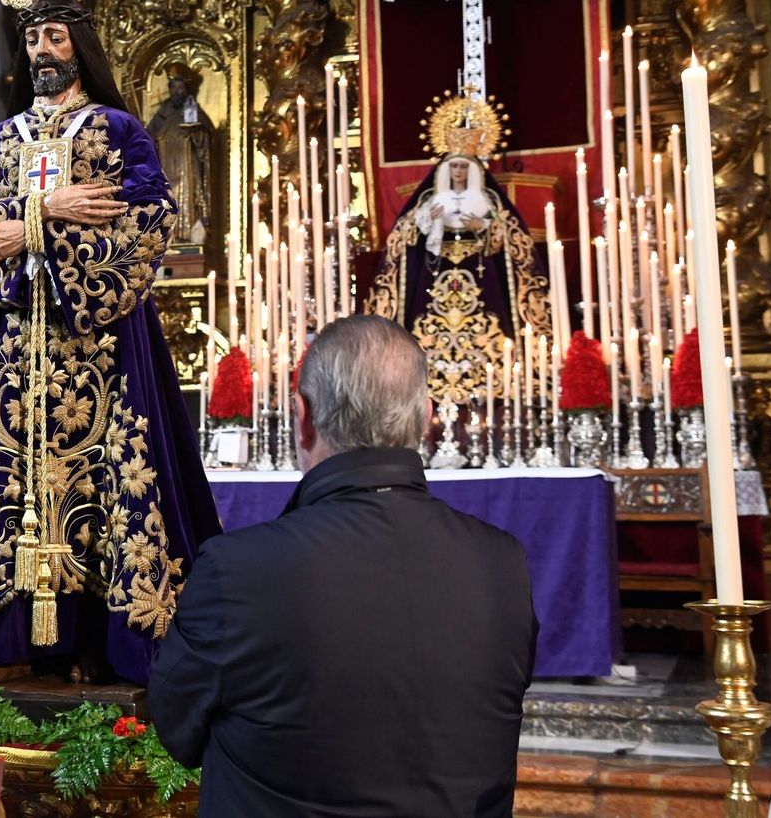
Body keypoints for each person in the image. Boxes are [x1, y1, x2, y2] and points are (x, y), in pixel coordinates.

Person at [0, 0, 221, 686]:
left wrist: (41, 237)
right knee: (0, 482)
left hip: (105, 342)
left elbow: (150, 216)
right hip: (16, 346)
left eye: (55, 39)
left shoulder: (119, 132)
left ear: (80, 45)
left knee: (116, 481)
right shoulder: (1, 141)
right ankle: (10, 641)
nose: (42, 53)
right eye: (32, 40)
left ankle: (109, 646)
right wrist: (36, 222)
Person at [149, 316, 537, 818]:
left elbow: (177, 730)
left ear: (302, 416)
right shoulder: (502, 564)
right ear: (425, 417)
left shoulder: (239, 571)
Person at [368, 147, 550, 404]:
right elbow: (406, 235)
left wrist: (483, 227)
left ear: (473, 172)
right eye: (454, 167)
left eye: (464, 167)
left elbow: (505, 238)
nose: (459, 171)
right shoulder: (431, 199)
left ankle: (495, 379)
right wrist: (426, 221)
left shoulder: (486, 200)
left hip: (480, 270)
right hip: (435, 272)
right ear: (445, 171)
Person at [146, 69, 214, 246]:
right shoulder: (163, 113)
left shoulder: (193, 110)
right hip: (166, 167)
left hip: (186, 166)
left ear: (187, 90)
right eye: (174, 88)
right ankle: (167, 239)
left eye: (181, 88)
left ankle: (189, 238)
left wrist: (195, 133)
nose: (177, 92)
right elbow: (147, 139)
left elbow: (205, 138)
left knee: (188, 198)